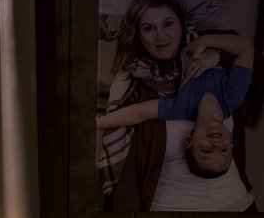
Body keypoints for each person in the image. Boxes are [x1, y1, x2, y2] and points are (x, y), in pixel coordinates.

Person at [97, 0, 264, 212]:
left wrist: (218, 55)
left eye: (168, 25)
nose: (160, 36)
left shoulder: (188, 87)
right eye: (148, 29)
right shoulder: (132, 83)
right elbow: (125, 172)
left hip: (241, 205)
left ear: (182, 26)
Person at [96, 32, 255, 178]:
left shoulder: (180, 109)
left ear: (188, 142)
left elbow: (139, 113)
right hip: (206, 25)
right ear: (231, 141)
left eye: (206, 151)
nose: (216, 144)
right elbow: (245, 48)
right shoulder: (233, 96)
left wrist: (96, 123)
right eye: (224, 150)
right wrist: (206, 42)